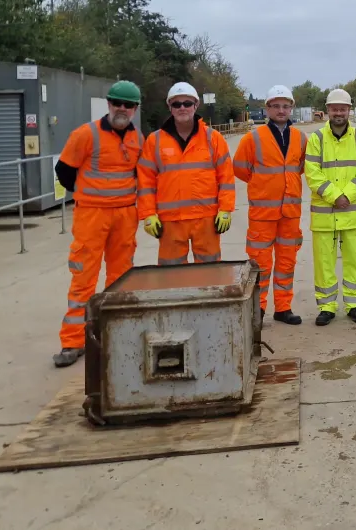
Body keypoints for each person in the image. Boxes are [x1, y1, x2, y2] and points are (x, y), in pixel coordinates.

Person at [52, 80, 144, 368]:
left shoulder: (137, 139)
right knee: (83, 278)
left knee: (121, 279)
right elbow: (64, 171)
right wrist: (89, 195)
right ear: (108, 104)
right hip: (92, 216)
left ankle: (115, 334)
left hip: (125, 216)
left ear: (135, 109)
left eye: (128, 105)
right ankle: (73, 341)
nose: (122, 109)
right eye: (117, 103)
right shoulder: (86, 135)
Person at [137, 82, 235, 268]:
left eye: (187, 103)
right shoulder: (154, 141)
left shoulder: (212, 138)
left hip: (206, 219)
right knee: (171, 274)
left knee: (210, 272)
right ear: (170, 107)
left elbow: (226, 178)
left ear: (196, 106)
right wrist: (148, 214)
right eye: (176, 104)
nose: (182, 108)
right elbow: (145, 181)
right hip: (170, 222)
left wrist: (225, 209)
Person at [233, 85, 305, 325]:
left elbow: (301, 167)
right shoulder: (253, 138)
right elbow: (241, 168)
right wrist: (263, 185)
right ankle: (258, 309)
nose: (281, 110)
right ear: (268, 109)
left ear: (291, 108)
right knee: (260, 264)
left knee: (286, 262)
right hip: (263, 213)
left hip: (290, 213)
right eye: (276, 106)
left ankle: (283, 307)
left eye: (286, 106)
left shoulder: (300, 138)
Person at [305, 89, 356, 326]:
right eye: (334, 109)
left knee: (354, 258)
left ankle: (355, 304)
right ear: (327, 111)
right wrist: (335, 196)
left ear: (349, 111)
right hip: (326, 214)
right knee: (324, 261)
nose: (338, 113)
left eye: (342, 109)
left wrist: (348, 195)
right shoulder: (316, 139)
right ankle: (327, 306)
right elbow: (312, 173)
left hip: (352, 212)